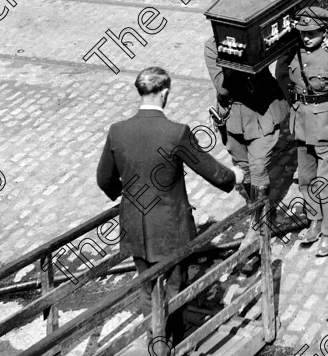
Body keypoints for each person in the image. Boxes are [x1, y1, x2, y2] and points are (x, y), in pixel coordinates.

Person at [96, 67, 245, 354]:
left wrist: (124, 196)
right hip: (170, 228)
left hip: (135, 227)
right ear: (165, 92)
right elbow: (210, 170)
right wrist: (234, 177)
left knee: (147, 287)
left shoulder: (118, 130)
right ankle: (170, 345)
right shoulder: (176, 133)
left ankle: (155, 342)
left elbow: (104, 179)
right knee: (175, 288)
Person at [275, 7, 328, 257]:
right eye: (303, 32)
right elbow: (280, 74)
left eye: (313, 32)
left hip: (326, 125)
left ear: (324, 31)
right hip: (301, 124)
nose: (307, 37)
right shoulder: (294, 53)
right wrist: (293, 104)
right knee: (306, 178)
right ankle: (314, 220)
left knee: (326, 180)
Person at [204, 37, 288, 247]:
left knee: (258, 167)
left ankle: (258, 225)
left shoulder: (256, 39)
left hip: (261, 112)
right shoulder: (212, 46)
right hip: (233, 117)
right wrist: (233, 57)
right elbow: (222, 87)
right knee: (244, 169)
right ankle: (256, 208)